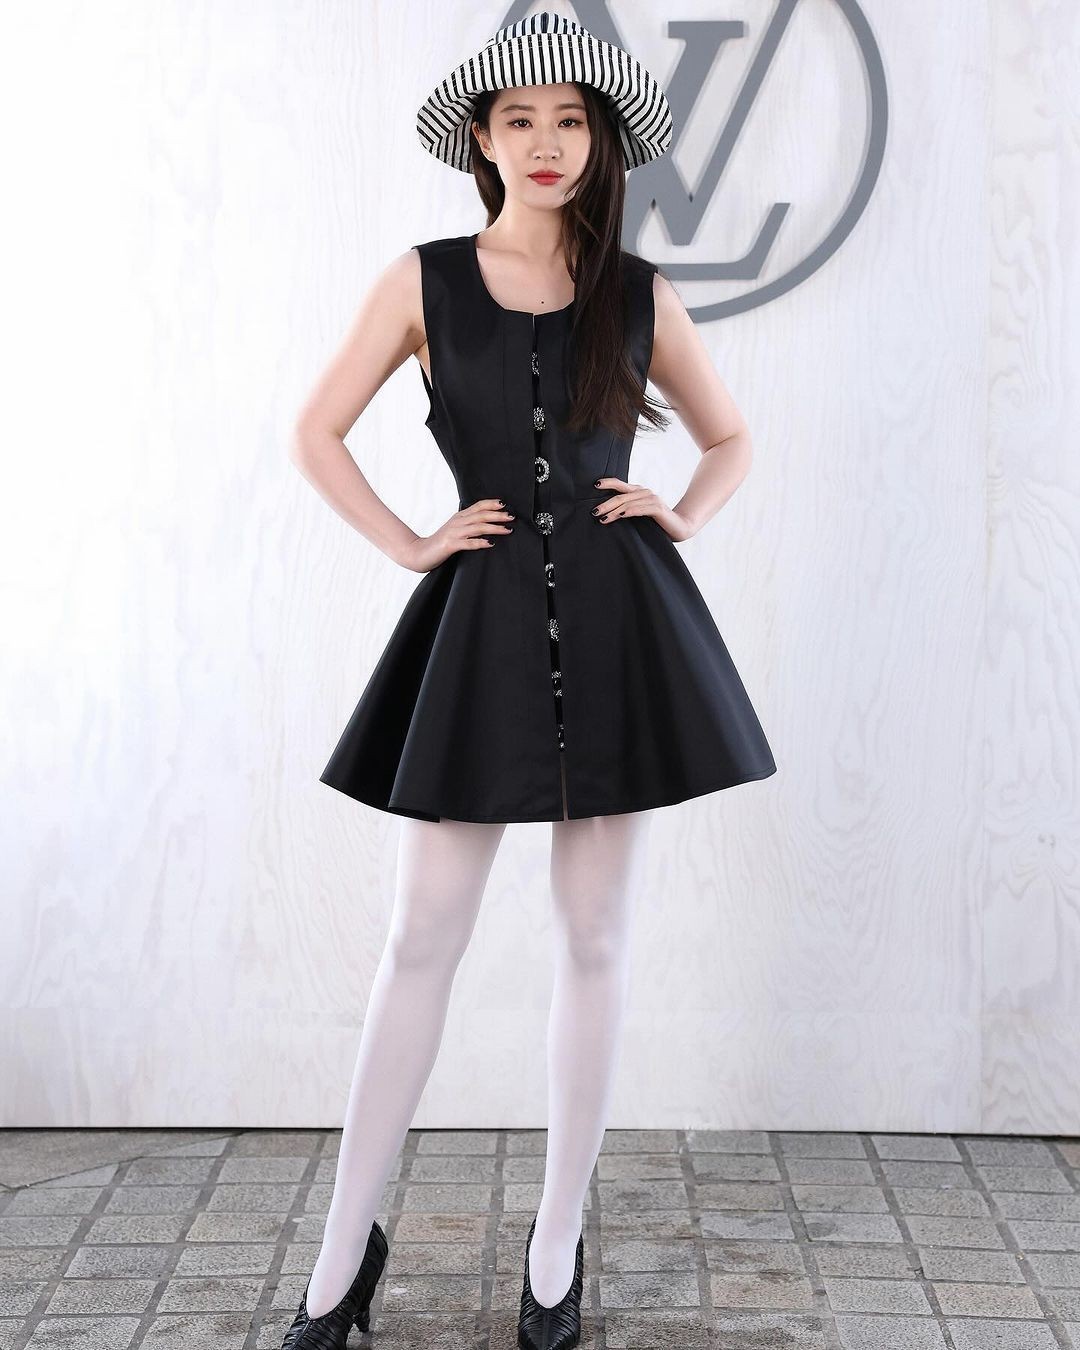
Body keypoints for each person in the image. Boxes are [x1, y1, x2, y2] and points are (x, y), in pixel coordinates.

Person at [283, 13, 777, 1350]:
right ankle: (340, 1254)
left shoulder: (638, 291)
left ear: (600, 144)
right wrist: (410, 542)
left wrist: (685, 510)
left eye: (570, 122)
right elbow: (315, 432)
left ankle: (555, 1247)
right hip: (480, 632)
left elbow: (730, 437)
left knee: (595, 938)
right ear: (484, 142)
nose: (547, 142)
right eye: (521, 121)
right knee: (420, 937)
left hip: (621, 635)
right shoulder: (424, 280)